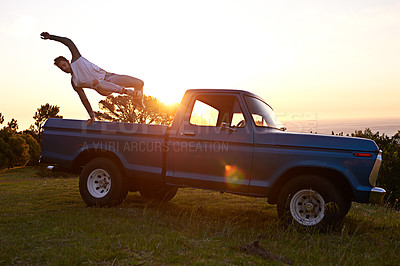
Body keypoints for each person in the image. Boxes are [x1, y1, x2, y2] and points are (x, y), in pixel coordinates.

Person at [40, 32, 145, 126]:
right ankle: (126, 91)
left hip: (110, 77)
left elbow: (69, 42)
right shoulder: (75, 82)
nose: (64, 68)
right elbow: (84, 99)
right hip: (102, 88)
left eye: (64, 65)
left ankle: (138, 100)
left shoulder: (76, 59)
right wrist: (92, 116)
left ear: (67, 61)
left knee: (139, 83)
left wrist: (51, 37)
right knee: (97, 83)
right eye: (61, 68)